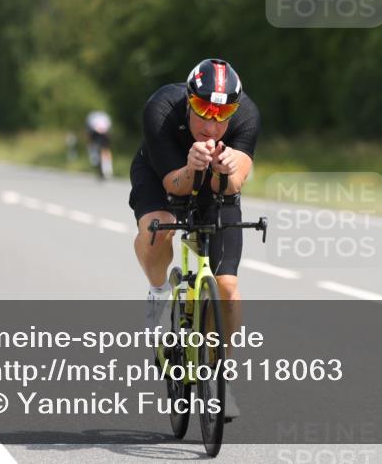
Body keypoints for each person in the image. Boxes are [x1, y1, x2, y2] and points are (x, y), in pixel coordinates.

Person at [129, 58, 259, 419]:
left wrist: (226, 170)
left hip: (216, 188)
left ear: (235, 108)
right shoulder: (161, 108)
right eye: (202, 109)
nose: (211, 124)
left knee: (227, 288)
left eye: (222, 113)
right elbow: (174, 184)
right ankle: (158, 292)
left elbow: (237, 184)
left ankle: (221, 378)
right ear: (189, 101)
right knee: (158, 228)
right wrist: (191, 165)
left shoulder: (247, 116)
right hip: (163, 174)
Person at [86, 110, 113, 179]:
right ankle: (107, 168)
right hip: (101, 132)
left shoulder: (92, 117)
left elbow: (89, 132)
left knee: (101, 149)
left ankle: (96, 161)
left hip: (97, 132)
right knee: (105, 150)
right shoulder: (104, 117)